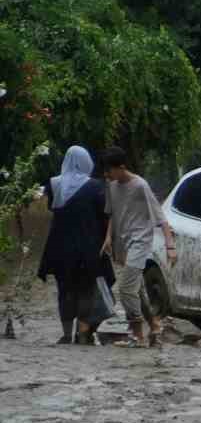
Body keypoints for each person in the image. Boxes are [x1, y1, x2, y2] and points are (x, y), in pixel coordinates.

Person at [37, 146, 112, 344]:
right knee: (86, 289)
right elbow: (103, 216)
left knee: (65, 290)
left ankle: (66, 333)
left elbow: (51, 209)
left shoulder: (53, 184)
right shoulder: (95, 187)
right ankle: (83, 331)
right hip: (88, 248)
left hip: (60, 247)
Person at [102, 146, 176, 348]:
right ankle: (154, 324)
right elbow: (112, 214)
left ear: (121, 167)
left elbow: (161, 218)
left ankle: (136, 333)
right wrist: (108, 238)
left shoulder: (140, 186)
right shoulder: (112, 186)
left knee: (126, 287)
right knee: (137, 288)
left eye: (110, 170)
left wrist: (170, 246)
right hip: (123, 242)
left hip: (141, 241)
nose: (107, 175)